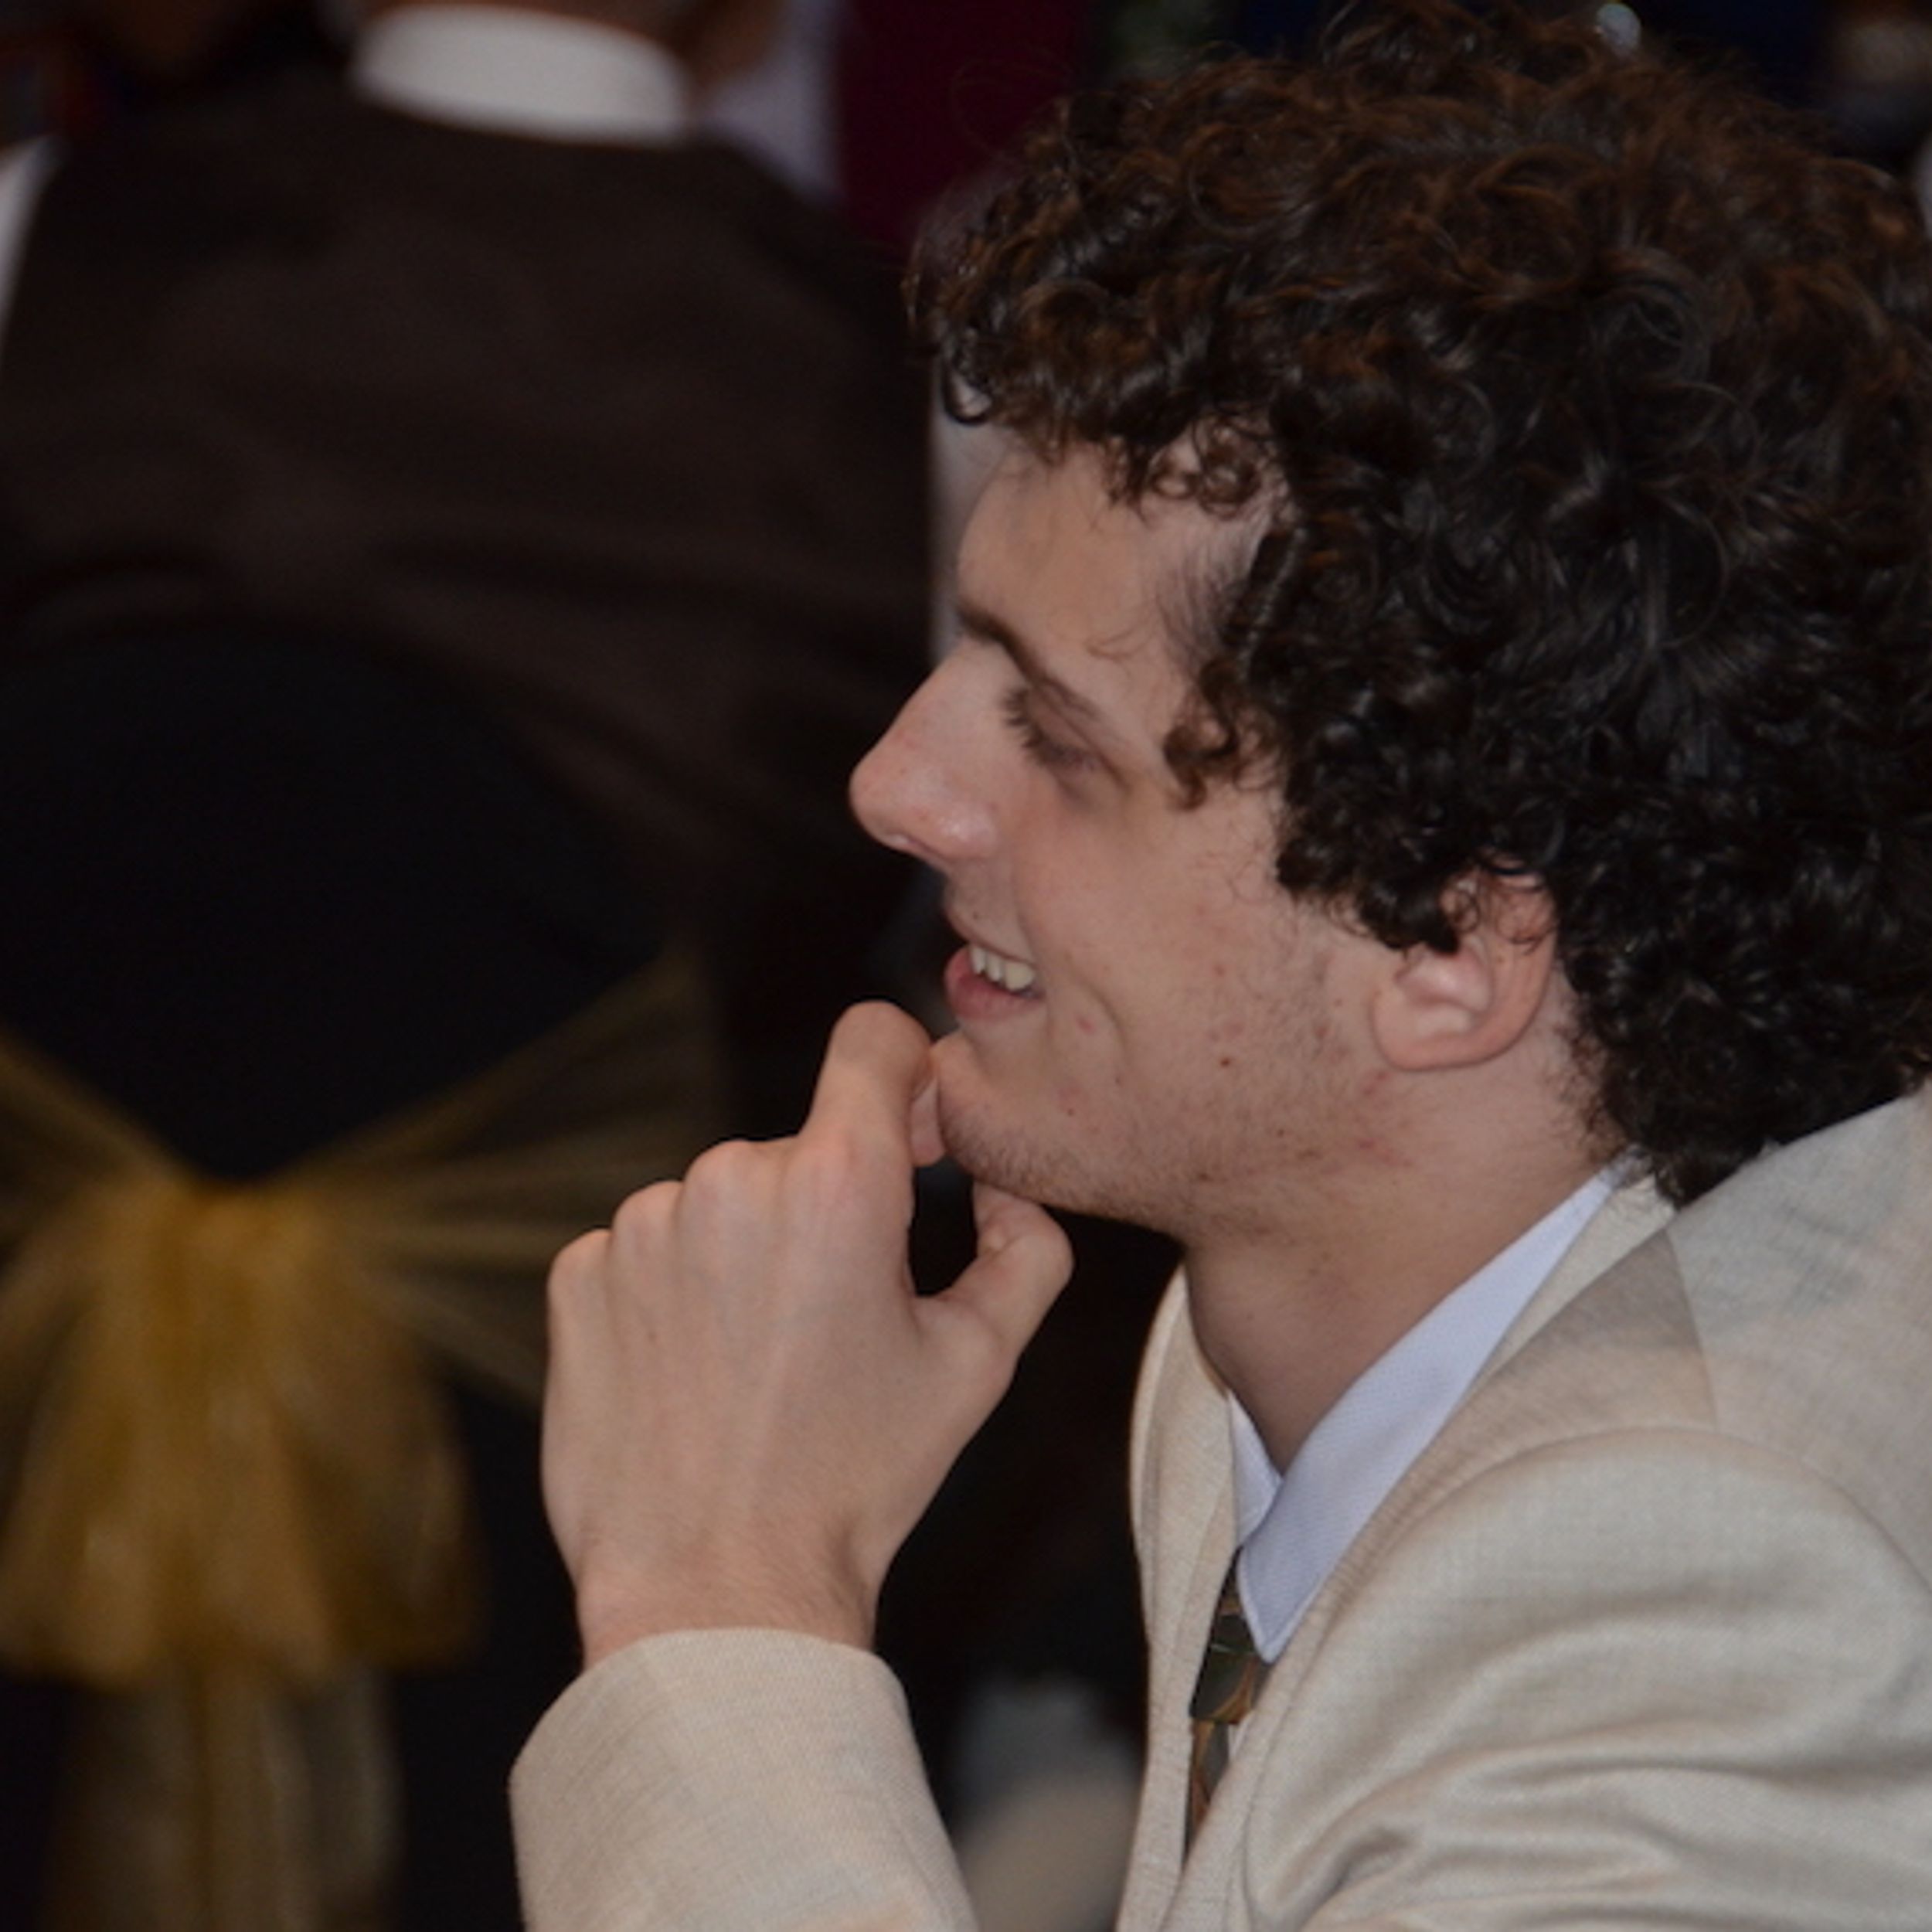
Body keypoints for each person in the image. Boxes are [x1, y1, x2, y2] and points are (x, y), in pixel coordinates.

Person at [512, 1, 1932, 1925]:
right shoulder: (1310, 1279)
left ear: (1449, 943)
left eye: (1054, 733)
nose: (894, 785)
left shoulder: (1707, 1620)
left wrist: (718, 1594)